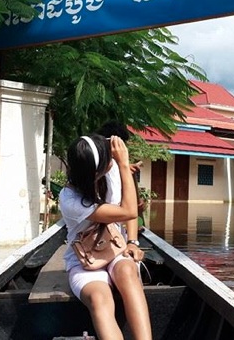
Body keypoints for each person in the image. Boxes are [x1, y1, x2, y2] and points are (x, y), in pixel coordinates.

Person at [59, 134, 151, 340]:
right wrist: (124, 164)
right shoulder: (70, 199)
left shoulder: (110, 173)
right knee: (100, 298)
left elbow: (131, 210)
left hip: (114, 247)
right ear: (97, 170)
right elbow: (129, 211)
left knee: (127, 271)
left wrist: (132, 242)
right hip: (84, 260)